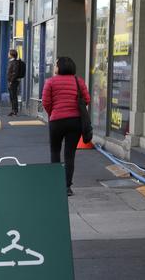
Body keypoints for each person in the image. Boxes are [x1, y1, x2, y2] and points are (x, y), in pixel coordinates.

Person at [42, 57, 90, 197]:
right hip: (75, 122)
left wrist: (53, 113)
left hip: (57, 121)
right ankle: (67, 187)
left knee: (55, 151)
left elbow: (45, 102)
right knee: (70, 154)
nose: (54, 67)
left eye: (55, 64)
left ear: (59, 67)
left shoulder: (50, 82)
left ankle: (55, 183)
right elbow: (86, 99)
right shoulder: (78, 81)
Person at [6, 49, 21, 116]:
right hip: (11, 81)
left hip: (13, 82)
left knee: (13, 96)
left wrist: (11, 81)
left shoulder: (14, 62)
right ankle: (13, 110)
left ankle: (15, 110)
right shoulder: (11, 62)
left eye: (9, 53)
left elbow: (15, 72)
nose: (8, 54)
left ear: (11, 55)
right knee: (12, 96)